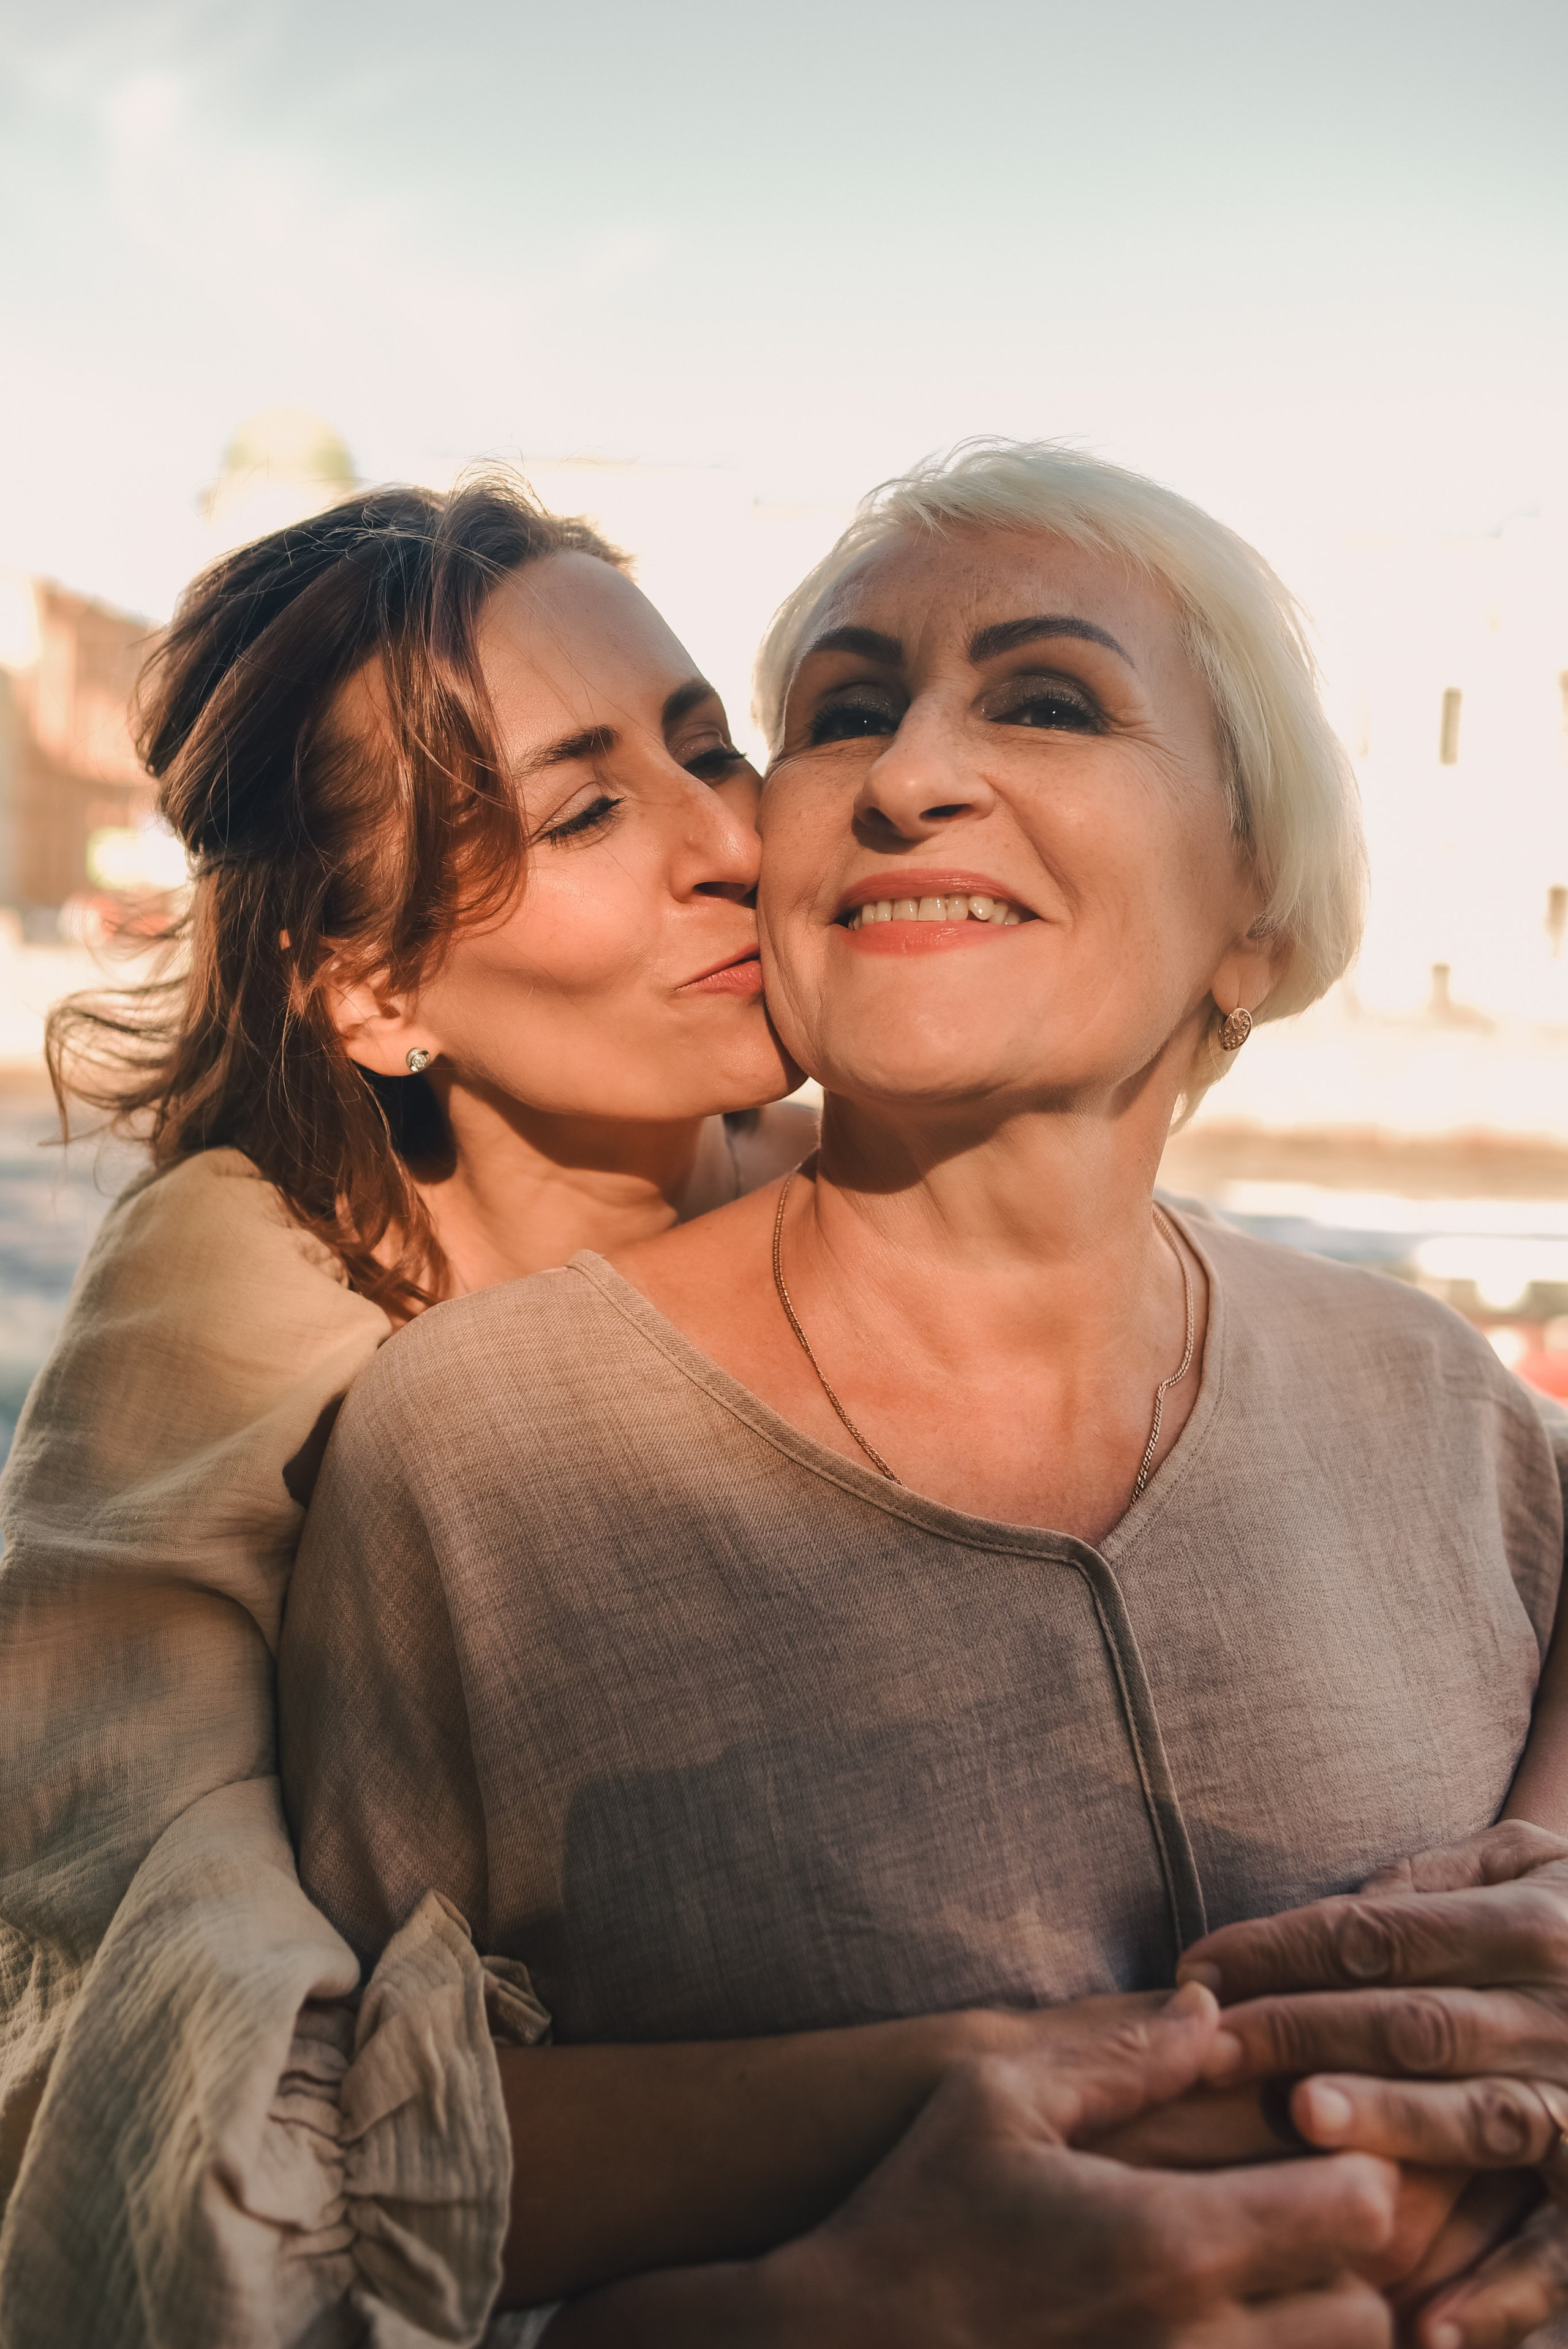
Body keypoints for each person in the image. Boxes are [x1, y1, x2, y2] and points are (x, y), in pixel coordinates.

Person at [279, 441, 1568, 2347]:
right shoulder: (470, 1462)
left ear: (1257, 916)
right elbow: (327, 2231)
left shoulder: (1440, 1402)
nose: (905, 777)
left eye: (1049, 700)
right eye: (845, 715)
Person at [0, 474, 819, 2345]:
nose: (723, 843)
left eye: (716, 748)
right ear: (372, 990)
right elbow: (140, 2055)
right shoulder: (243, 1283)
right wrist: (951, 2091)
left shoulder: (856, 1199)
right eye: (587, 804)